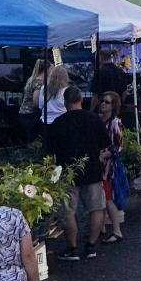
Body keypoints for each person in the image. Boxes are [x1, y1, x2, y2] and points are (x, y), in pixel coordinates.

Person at [45, 85, 109, 260]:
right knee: (97, 208)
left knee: (68, 211)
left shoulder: (58, 123)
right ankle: (91, 246)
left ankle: (72, 247)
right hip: (92, 170)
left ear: (65, 103)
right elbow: (106, 143)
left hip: (67, 171)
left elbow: (50, 151)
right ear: (81, 100)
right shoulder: (94, 119)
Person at [95, 90, 127, 244]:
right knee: (101, 197)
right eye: (102, 101)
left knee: (108, 198)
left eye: (107, 102)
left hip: (108, 168)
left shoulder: (115, 122)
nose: (102, 104)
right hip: (100, 165)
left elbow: (119, 146)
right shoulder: (100, 121)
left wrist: (104, 154)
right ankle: (101, 227)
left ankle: (116, 230)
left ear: (113, 106)